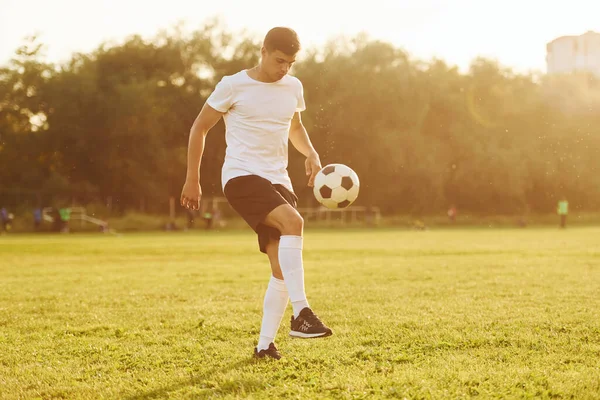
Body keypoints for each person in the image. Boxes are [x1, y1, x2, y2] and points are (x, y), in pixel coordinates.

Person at [180, 27, 332, 360]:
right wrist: (193, 178)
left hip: (279, 180)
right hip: (241, 176)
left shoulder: (293, 86)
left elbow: (294, 126)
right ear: (263, 51)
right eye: (280, 61)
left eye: (291, 63)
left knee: (281, 269)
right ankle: (302, 313)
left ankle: (264, 345)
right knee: (294, 222)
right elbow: (200, 127)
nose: (285, 69)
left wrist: (310, 153)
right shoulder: (233, 85)